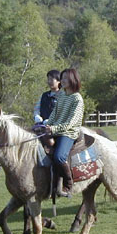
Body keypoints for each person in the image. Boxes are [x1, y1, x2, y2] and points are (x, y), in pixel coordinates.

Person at [45, 68, 84, 197]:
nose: (63, 80)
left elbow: (72, 122)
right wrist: (47, 124)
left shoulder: (77, 98)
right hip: (55, 129)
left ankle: (68, 184)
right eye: (62, 78)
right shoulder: (61, 94)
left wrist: (54, 129)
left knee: (59, 156)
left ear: (74, 79)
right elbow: (54, 113)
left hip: (69, 132)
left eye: (66, 78)